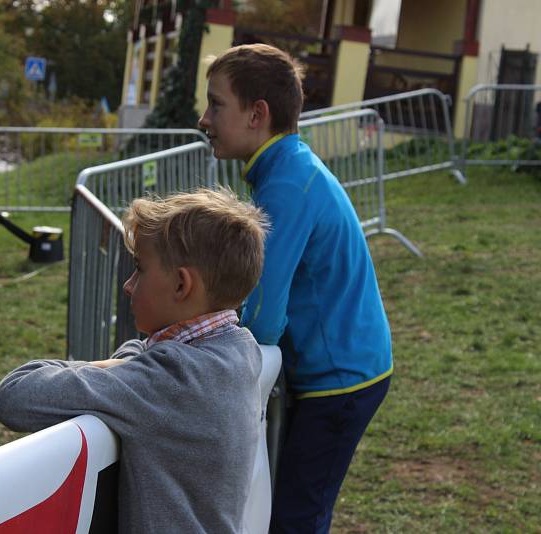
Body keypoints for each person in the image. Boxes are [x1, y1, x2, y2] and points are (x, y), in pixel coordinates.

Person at [0, 188, 270, 533]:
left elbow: (15, 394)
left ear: (181, 285)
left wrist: (109, 366)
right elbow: (140, 353)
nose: (128, 285)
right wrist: (130, 363)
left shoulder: (173, 379)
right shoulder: (240, 348)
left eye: (139, 269)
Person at [198, 43, 392, 533]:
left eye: (216, 103)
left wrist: (206, 359)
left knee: (295, 519)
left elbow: (262, 314)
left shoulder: (285, 184)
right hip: (343, 369)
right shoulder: (285, 166)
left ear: (257, 114)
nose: (204, 119)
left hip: (342, 380)